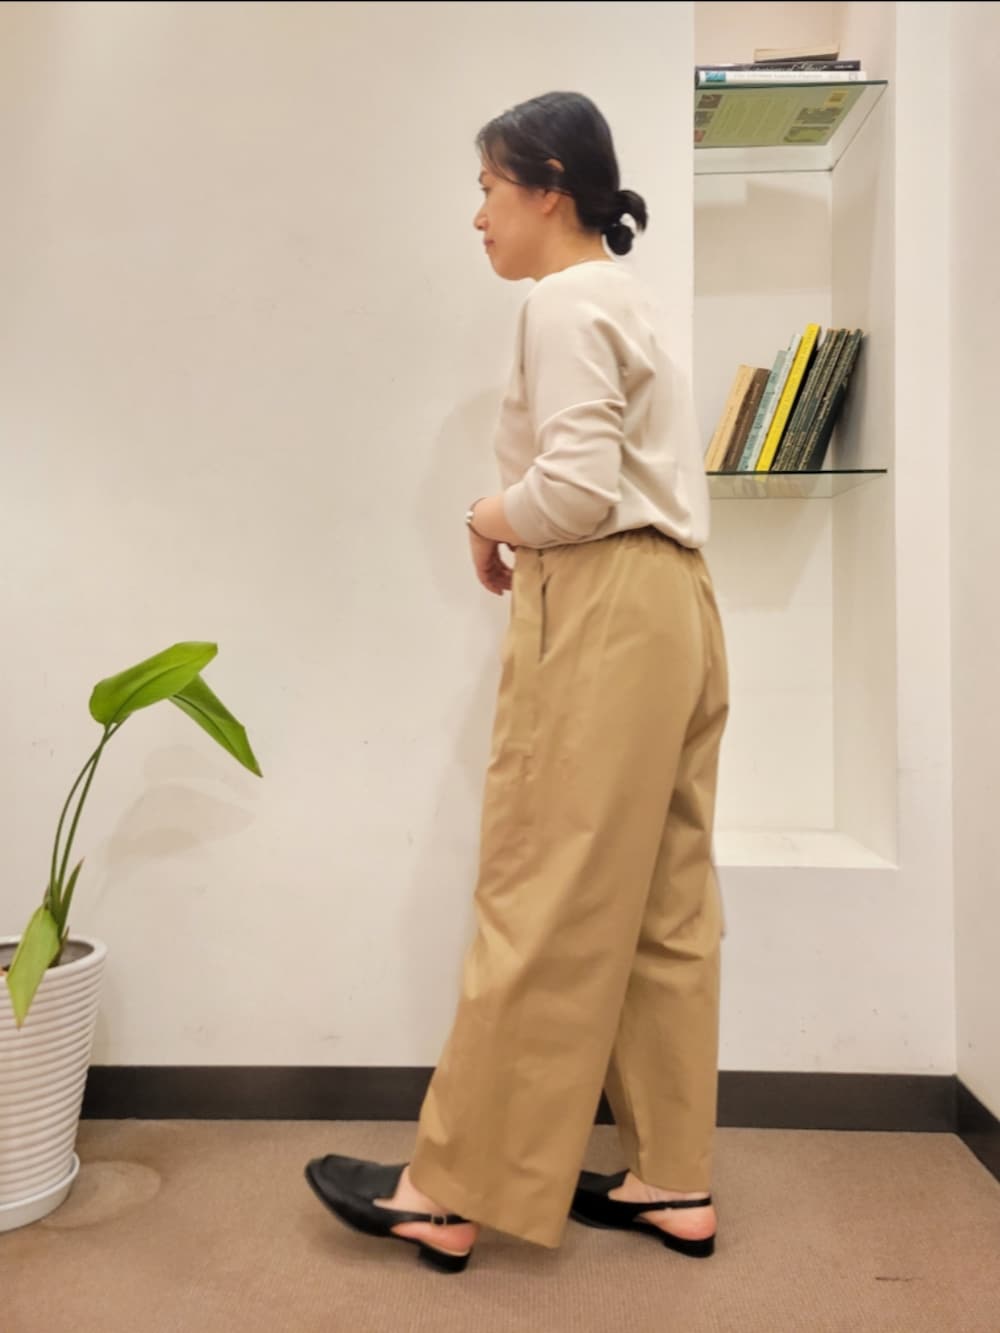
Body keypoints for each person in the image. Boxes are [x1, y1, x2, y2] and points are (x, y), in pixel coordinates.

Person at [305, 91, 728, 1275]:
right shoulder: (629, 299)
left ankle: (446, 1190)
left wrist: (486, 512)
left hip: (602, 605)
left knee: (538, 893)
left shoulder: (561, 301)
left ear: (548, 186)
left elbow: (575, 492)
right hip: (680, 605)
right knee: (664, 905)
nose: (478, 214)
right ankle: (671, 1176)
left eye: (489, 188)